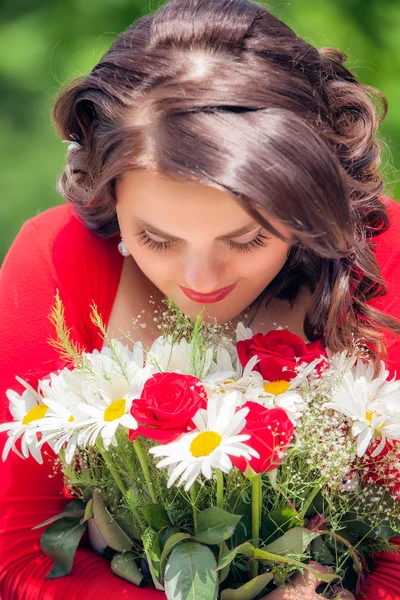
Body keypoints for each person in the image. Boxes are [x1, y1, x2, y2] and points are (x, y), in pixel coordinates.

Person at [1, 0, 400, 598]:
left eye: (248, 238)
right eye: (156, 238)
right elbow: (17, 548)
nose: (200, 279)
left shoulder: (383, 259)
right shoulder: (54, 259)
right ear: (109, 198)